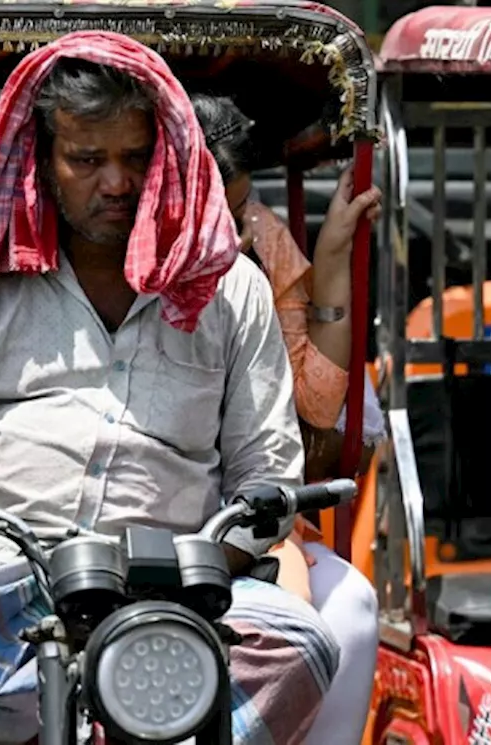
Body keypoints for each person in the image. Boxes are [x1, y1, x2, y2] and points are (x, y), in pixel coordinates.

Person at [0, 33, 338, 745]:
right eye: (87, 159)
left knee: (304, 644)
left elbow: (266, 471)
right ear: (44, 162)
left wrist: (198, 567)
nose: (116, 183)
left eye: (136, 158)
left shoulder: (233, 291)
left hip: (175, 592)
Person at [191, 92, 384, 745]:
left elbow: (319, 406)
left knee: (349, 606)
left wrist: (329, 261)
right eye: (219, 208)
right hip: (147, 517)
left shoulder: (260, 244)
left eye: (241, 205)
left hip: (248, 515)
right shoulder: (120, 264)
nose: (235, 224)